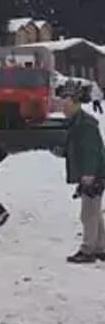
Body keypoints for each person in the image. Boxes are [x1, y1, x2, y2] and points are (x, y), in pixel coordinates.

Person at [60, 95, 105, 263]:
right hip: (94, 173)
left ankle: (88, 250)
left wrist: (89, 173)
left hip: (93, 174)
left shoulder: (85, 124)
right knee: (94, 212)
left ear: (76, 105)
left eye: (66, 107)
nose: (63, 111)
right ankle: (100, 247)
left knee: (88, 214)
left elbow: (91, 150)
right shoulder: (78, 122)